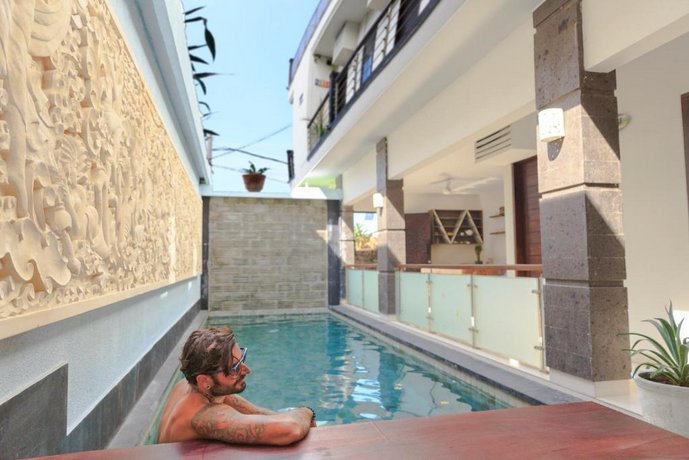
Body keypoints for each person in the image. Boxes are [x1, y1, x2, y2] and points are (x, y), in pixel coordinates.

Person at [157, 327, 316, 445]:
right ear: (204, 381)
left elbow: (259, 413)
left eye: (242, 359)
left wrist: (292, 415)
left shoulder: (189, 386)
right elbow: (291, 428)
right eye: (234, 368)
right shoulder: (204, 416)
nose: (247, 370)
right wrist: (306, 411)